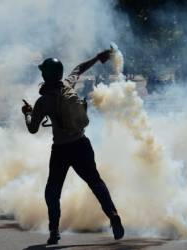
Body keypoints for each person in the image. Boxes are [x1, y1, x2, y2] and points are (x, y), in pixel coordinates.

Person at [21, 51, 124, 245]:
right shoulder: (68, 84)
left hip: (61, 150)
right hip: (81, 145)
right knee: (95, 182)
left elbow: (33, 129)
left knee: (52, 192)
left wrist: (27, 114)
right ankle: (113, 214)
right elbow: (79, 68)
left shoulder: (43, 102)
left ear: (45, 76)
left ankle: (54, 232)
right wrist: (97, 58)